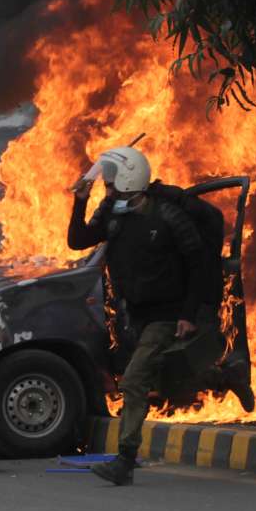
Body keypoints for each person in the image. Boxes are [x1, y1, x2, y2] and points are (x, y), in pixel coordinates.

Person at [67, 146, 207, 486]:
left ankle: (125, 459)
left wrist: (188, 314)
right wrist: (80, 202)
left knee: (133, 381)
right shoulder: (112, 214)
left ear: (129, 179)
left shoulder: (168, 217)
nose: (107, 187)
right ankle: (221, 375)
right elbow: (78, 240)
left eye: (111, 180)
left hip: (167, 314)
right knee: (150, 378)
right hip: (135, 316)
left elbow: (198, 265)